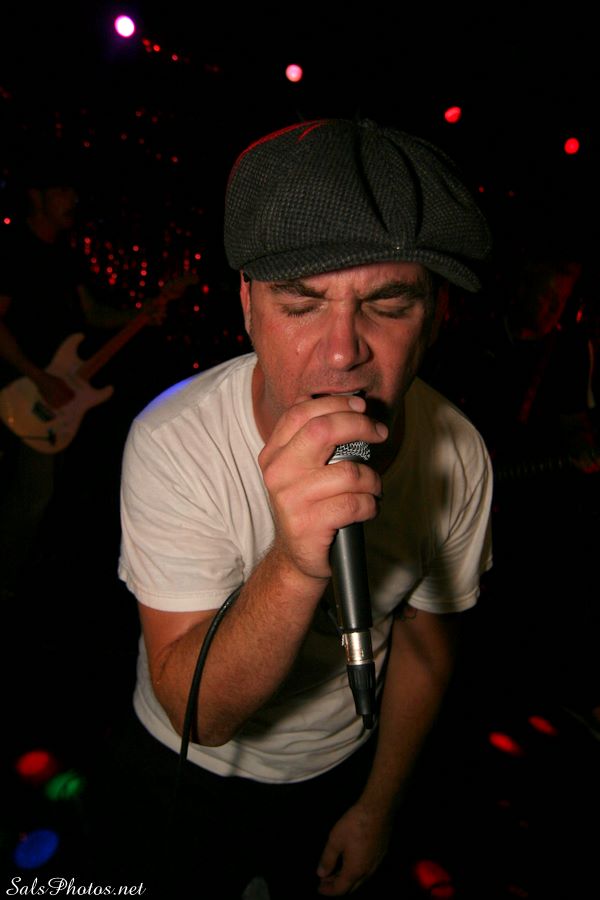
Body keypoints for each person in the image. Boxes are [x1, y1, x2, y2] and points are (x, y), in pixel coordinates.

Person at [100, 118, 494, 898]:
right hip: (188, 769)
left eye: (388, 303)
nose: (342, 351)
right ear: (247, 304)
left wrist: (378, 807)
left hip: (339, 768)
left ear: (434, 316)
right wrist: (292, 564)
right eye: (302, 303)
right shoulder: (173, 440)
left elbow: (428, 645)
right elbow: (200, 714)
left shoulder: (461, 454)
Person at [0, 150, 194, 600]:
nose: (73, 199)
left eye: (73, 190)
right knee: (30, 496)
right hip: (18, 388)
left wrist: (141, 313)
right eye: (62, 191)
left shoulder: (66, 255)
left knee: (46, 497)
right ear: (37, 197)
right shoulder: (13, 249)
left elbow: (92, 315)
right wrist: (37, 376)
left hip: (58, 394)